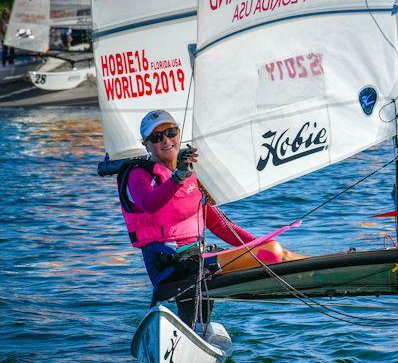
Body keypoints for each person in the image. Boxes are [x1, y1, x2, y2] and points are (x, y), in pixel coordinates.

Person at [118, 110, 305, 290]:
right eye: (157, 137)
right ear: (146, 144)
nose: (166, 140)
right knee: (272, 252)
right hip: (170, 266)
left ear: (178, 133)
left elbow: (221, 226)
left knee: (275, 251)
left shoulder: (190, 171)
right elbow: (149, 204)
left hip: (198, 258)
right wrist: (178, 177)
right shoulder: (138, 174)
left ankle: (323, 266)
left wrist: (257, 243)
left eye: (170, 132)